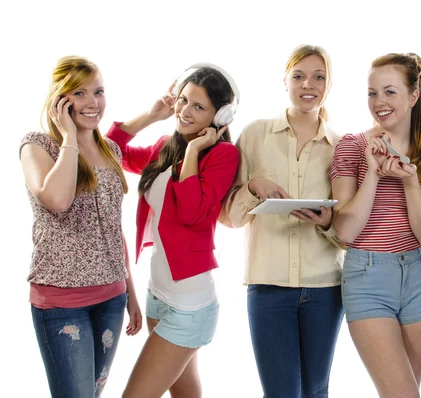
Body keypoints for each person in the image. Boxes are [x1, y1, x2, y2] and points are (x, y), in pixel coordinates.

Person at [106, 63, 240, 397]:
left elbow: (193, 212)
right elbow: (110, 153)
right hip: (158, 295)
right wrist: (151, 116)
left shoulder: (223, 155)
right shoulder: (166, 144)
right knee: (185, 393)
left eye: (199, 106)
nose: (185, 111)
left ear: (219, 117)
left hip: (190, 305)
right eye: (183, 100)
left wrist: (194, 151)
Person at [220, 44, 344, 398]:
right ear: (285, 81)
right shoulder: (255, 135)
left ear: (329, 85)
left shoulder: (342, 146)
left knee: (316, 391)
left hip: (325, 288)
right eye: (299, 75)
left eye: (319, 77)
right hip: (268, 285)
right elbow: (230, 216)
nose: (309, 84)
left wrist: (326, 221)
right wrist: (253, 187)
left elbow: (350, 229)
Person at [19, 55, 142, 398]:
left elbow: (115, 229)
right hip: (60, 303)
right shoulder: (38, 145)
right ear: (60, 100)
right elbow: (57, 200)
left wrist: (130, 291)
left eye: (99, 92)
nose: (93, 103)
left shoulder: (112, 150)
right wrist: (69, 137)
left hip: (111, 298)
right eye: (80, 93)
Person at [331, 53, 421, 398]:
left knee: (408, 390)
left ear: (413, 96)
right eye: (372, 93)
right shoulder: (352, 146)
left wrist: (410, 182)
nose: (379, 102)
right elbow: (344, 232)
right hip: (367, 277)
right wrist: (374, 173)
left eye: (389, 92)